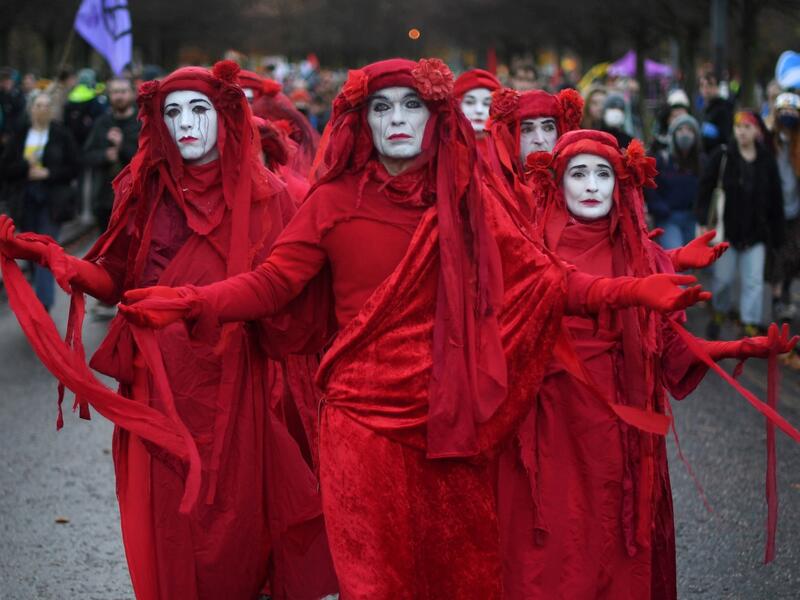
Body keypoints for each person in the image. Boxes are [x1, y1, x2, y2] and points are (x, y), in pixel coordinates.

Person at [120, 58, 708, 599]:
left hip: (450, 424)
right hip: (358, 424)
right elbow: (272, 283)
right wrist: (190, 301)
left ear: (434, 117)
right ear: (364, 121)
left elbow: (549, 280)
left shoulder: (470, 200)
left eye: (411, 106)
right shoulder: (332, 201)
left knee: (457, 578)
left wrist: (634, 291)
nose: (396, 119)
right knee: (373, 583)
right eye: (382, 107)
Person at [0, 61, 337, 600]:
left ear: (225, 117)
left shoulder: (268, 196)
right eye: (172, 112)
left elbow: (277, 291)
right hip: (153, 383)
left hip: (229, 382)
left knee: (228, 523)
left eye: (199, 109)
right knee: (162, 520)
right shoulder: (146, 191)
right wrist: (54, 259)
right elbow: (117, 279)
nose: (185, 124)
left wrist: (193, 304)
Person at [500, 129, 796, 599]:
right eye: (579, 174)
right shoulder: (531, 249)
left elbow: (668, 346)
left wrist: (737, 348)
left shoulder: (638, 252)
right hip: (551, 426)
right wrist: (639, 287)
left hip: (622, 435)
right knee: (559, 544)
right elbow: (545, 308)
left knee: (616, 543)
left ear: (620, 185)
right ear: (557, 183)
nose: (592, 186)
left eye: (603, 174)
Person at [697, 110, 786, 338]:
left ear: (757, 131)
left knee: (753, 283)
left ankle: (749, 325)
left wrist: (778, 235)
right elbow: (705, 189)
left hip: (756, 234)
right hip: (727, 233)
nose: (742, 132)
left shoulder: (767, 160)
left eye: (747, 127)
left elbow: (776, 199)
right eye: (738, 127)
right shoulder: (723, 156)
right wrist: (703, 220)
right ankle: (719, 313)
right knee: (723, 281)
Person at [0, 91, 79, 310]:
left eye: (47, 106)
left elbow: (74, 167)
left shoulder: (61, 135)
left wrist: (49, 173)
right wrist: (26, 168)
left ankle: (43, 304)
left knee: (45, 248)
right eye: (38, 105)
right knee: (30, 251)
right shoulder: (20, 135)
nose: (43, 109)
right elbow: (6, 168)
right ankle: (38, 293)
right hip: (25, 200)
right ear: (30, 109)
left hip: (52, 200)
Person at [486, 87, 583, 220]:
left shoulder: (583, 188)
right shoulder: (491, 194)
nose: (540, 139)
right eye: (527, 130)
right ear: (511, 138)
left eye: (548, 128)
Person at [83, 77, 141, 230]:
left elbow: (148, 159)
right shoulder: (101, 123)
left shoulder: (141, 122)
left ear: (132, 93)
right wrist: (104, 156)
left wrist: (122, 147)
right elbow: (87, 155)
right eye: (115, 92)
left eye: (123, 91)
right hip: (105, 199)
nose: (119, 96)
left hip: (135, 198)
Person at [646, 114, 704, 250]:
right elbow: (649, 187)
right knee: (675, 255)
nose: (685, 134)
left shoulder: (701, 162)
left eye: (689, 130)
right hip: (668, 219)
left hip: (692, 218)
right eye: (680, 130)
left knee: (689, 258)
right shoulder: (662, 159)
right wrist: (660, 208)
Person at [768, 92, 800, 326]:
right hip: (774, 209)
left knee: (793, 253)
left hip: (795, 209)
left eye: (793, 112)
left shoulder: (798, 142)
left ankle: (785, 291)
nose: (788, 116)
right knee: (777, 254)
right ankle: (777, 298)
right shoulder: (770, 142)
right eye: (784, 111)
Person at [454, 68, 501, 155]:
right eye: (470, 102)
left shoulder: (505, 151)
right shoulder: (443, 148)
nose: (479, 110)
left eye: (487, 103)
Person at [699, 71, 734, 154]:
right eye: (702, 85)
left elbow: (726, 139)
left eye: (710, 85)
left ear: (717, 87)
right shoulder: (705, 110)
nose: (706, 89)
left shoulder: (723, 109)